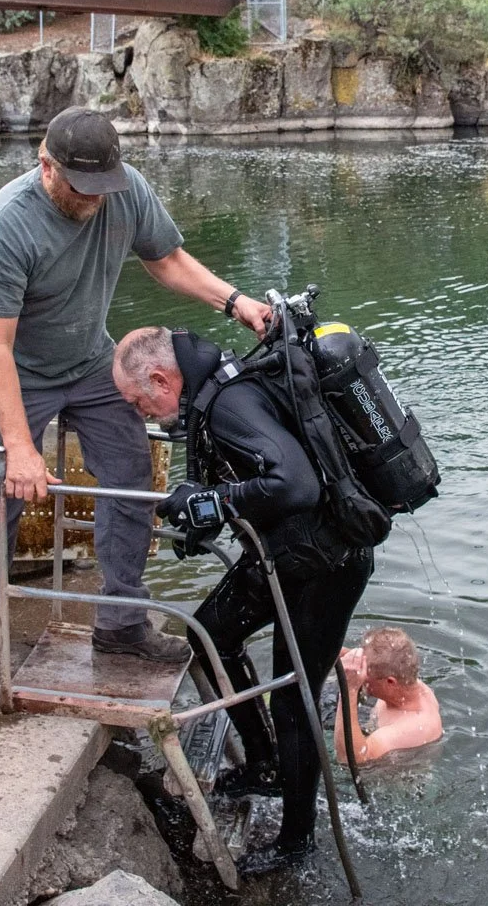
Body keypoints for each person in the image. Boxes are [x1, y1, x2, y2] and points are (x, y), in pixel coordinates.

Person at [0, 106, 272, 672]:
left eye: (103, 186)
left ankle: (121, 623)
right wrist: (21, 448)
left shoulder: (126, 189)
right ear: (46, 166)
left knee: (131, 477)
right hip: (15, 368)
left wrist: (236, 303)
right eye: (81, 187)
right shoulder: (7, 226)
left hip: (91, 359)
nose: (94, 198)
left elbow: (165, 259)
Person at [112, 325, 373, 876]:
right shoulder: (213, 395)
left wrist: (215, 501)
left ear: (162, 379)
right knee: (210, 634)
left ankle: (296, 841)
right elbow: (258, 482)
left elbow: (296, 485)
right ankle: (265, 763)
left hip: (326, 562)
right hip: (291, 550)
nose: (144, 414)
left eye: (140, 402)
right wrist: (204, 513)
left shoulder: (229, 403)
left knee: (295, 699)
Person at [334, 627, 441, 765]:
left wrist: (349, 688)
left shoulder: (414, 726)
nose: (361, 676)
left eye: (366, 674)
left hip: (382, 775)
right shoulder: (404, 676)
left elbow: (351, 760)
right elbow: (377, 662)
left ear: (390, 682)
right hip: (371, 725)